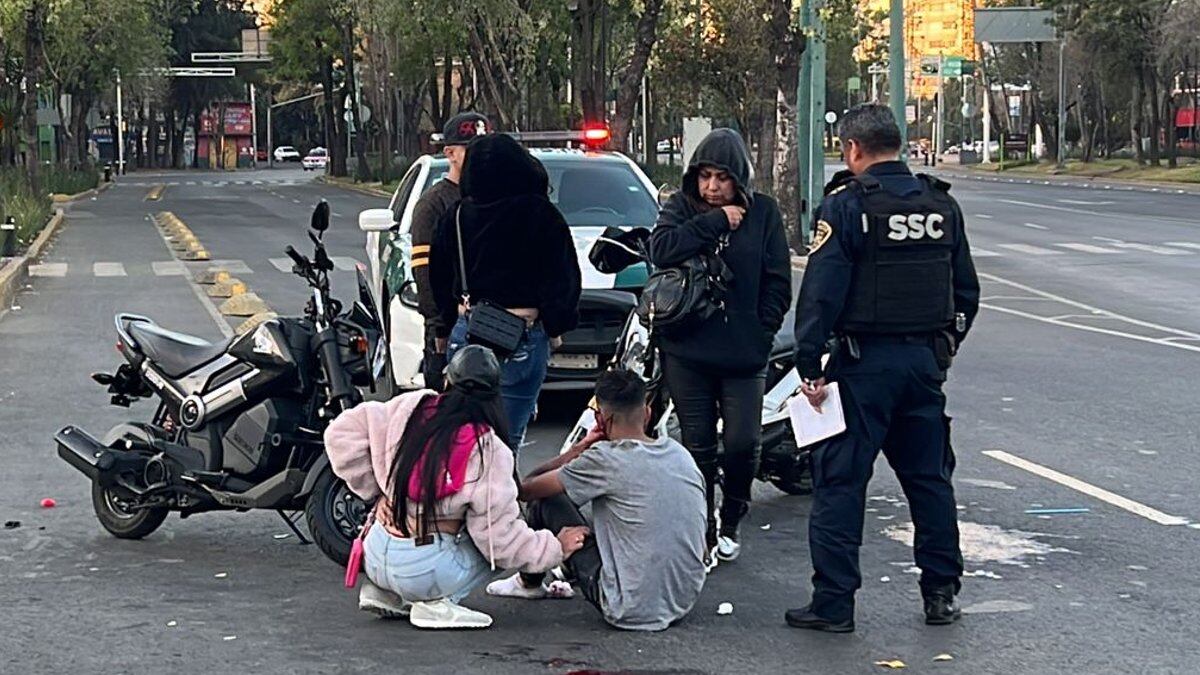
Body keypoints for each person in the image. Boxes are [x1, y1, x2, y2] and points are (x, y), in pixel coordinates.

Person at [786, 104, 980, 633]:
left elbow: (821, 294)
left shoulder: (848, 207)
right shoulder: (941, 204)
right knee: (929, 481)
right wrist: (944, 347)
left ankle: (834, 604)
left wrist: (809, 362)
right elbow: (966, 291)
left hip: (862, 363)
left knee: (840, 482)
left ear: (852, 150)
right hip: (922, 365)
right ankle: (941, 594)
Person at [323, 345, 589, 629]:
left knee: (475, 531)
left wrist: (379, 492)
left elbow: (339, 434)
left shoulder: (410, 406)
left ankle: (388, 592)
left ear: (447, 380)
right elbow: (500, 542)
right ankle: (434, 604)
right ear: (494, 396)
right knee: (490, 542)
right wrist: (554, 547)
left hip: (375, 553)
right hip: (422, 570)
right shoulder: (489, 449)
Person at [649, 128, 793, 567]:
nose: (712, 187)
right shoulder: (680, 208)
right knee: (697, 446)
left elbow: (778, 282)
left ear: (740, 180)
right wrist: (714, 221)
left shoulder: (764, 213)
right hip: (687, 350)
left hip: (743, 354)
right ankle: (700, 524)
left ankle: (731, 518)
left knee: (741, 441)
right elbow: (662, 250)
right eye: (705, 177)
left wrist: (761, 333)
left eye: (722, 178)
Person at [486, 369, 707, 631]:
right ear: (646, 414)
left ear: (603, 421)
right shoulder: (678, 454)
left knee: (547, 502)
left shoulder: (604, 459)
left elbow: (526, 489)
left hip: (626, 608)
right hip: (683, 599)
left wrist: (578, 449)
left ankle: (529, 584)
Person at [429, 133, 582, 451]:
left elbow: (439, 281)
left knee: (462, 442)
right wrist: (556, 326)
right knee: (504, 442)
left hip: (467, 331)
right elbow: (564, 278)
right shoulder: (542, 215)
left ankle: (460, 497)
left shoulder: (455, 216)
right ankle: (500, 498)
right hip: (520, 334)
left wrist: (442, 328)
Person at [411, 112, 492, 391]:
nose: (482, 157)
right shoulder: (433, 205)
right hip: (451, 330)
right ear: (450, 153)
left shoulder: (494, 200)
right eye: (471, 150)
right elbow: (425, 275)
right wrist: (439, 328)